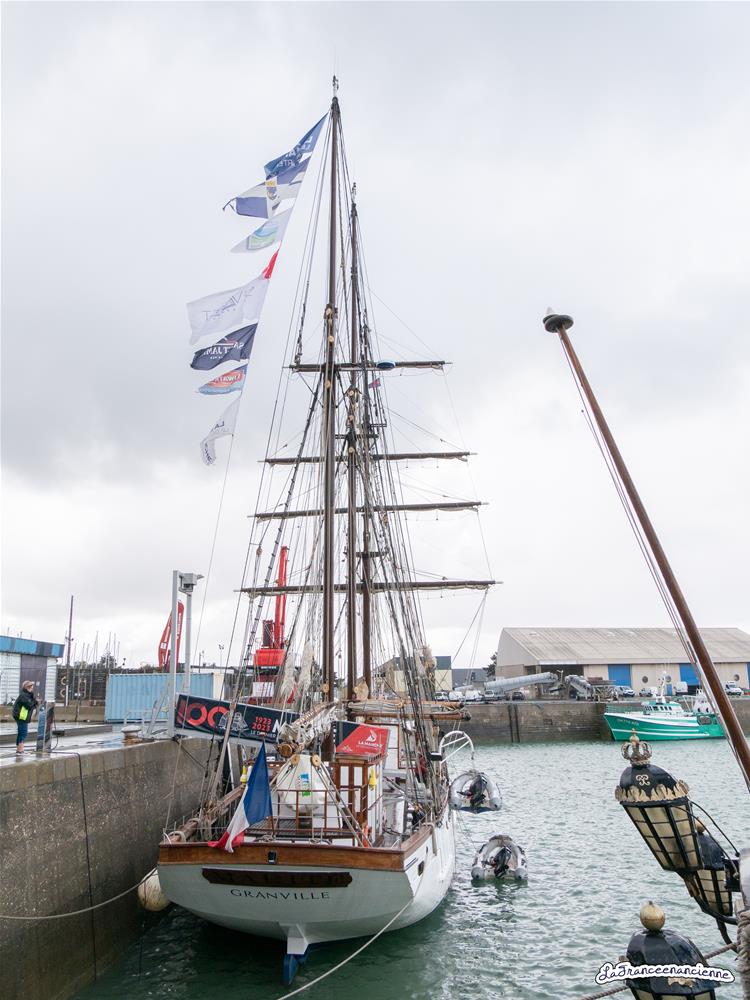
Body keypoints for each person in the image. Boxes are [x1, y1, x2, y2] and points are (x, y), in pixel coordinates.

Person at [12, 681, 39, 755]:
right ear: (26, 688)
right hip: (21, 716)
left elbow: (32, 703)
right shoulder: (24, 695)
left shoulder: (27, 695)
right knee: (23, 733)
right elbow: (29, 705)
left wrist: (33, 700)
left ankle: (19, 750)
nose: (32, 689)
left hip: (22, 716)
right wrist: (35, 702)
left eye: (32, 688)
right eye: (30, 688)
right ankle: (20, 751)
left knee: (21, 732)